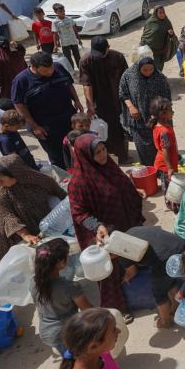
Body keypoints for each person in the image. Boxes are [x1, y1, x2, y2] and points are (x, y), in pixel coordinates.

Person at [69, 134, 145, 317]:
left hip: (124, 223)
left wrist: (134, 192)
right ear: (85, 156)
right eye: (97, 152)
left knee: (132, 258)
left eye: (103, 149)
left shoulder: (110, 167)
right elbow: (79, 213)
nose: (103, 155)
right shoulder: (79, 183)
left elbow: (122, 186)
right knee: (109, 272)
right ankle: (117, 310)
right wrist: (97, 226)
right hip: (104, 232)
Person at [12, 51, 82, 168]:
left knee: (76, 149)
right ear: (34, 67)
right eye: (45, 70)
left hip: (68, 118)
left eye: (51, 68)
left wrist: (77, 100)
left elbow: (69, 84)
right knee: (58, 157)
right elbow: (19, 105)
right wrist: (34, 127)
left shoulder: (58, 67)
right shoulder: (21, 81)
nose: (50, 72)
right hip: (46, 127)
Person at [0, 154, 66, 259]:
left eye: (1, 180)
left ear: (15, 174)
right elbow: (9, 217)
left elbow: (58, 191)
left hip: (45, 219)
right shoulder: (1, 194)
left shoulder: (38, 180)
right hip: (21, 227)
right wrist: (26, 235)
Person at [119, 226, 185, 329]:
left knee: (158, 292)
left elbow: (132, 272)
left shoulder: (121, 251)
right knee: (169, 279)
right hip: (180, 244)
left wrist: (125, 278)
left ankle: (165, 322)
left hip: (164, 258)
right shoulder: (131, 231)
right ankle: (176, 306)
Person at [32, 238, 92, 352]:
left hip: (46, 332)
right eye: (67, 255)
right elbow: (88, 311)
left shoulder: (33, 282)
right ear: (60, 263)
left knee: (68, 356)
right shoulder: (70, 287)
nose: (69, 258)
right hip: (67, 333)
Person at [79, 36, 130, 163]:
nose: (99, 56)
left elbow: (126, 79)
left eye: (102, 53)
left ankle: (122, 156)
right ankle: (107, 157)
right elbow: (87, 85)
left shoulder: (118, 57)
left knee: (119, 129)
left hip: (117, 100)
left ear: (108, 47)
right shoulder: (86, 60)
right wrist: (90, 106)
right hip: (99, 103)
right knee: (102, 130)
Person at [119, 56, 172, 167]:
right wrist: (131, 107)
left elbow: (167, 99)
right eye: (145, 70)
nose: (148, 72)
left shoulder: (160, 78)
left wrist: (161, 116)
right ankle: (149, 171)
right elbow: (123, 93)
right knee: (142, 148)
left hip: (157, 120)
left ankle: (160, 171)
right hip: (138, 120)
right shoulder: (129, 76)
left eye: (151, 69)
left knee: (159, 147)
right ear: (139, 68)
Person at [139, 6, 177, 72]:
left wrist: (171, 34)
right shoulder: (150, 22)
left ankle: (157, 80)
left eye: (163, 12)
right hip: (150, 51)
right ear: (156, 13)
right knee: (151, 68)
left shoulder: (167, 22)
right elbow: (145, 35)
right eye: (160, 13)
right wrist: (142, 46)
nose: (162, 14)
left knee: (159, 67)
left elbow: (172, 36)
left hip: (162, 50)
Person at [150, 97, 178, 187]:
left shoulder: (159, 126)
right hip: (165, 166)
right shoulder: (164, 132)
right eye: (170, 110)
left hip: (166, 162)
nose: (173, 112)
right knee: (168, 187)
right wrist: (169, 168)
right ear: (162, 114)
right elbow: (165, 150)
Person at [52, 3, 81, 71]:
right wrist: (55, 45)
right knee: (68, 58)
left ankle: (81, 70)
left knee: (77, 56)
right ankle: (71, 71)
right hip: (65, 43)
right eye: (61, 11)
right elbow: (55, 33)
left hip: (73, 41)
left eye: (64, 11)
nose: (63, 13)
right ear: (56, 12)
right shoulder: (55, 22)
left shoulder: (69, 19)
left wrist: (79, 39)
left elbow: (75, 29)